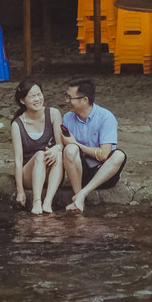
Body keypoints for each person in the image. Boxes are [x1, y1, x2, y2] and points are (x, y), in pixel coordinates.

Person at [60, 77, 127, 212]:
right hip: (80, 173)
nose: (66, 101)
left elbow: (104, 155)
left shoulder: (106, 117)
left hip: (103, 175)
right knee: (70, 149)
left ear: (84, 100)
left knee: (119, 155)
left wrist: (77, 144)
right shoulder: (67, 118)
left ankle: (81, 195)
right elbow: (67, 150)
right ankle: (78, 196)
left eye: (70, 97)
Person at [10, 78, 65, 214]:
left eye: (39, 94)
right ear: (23, 101)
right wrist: (20, 190)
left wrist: (56, 149)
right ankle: (37, 202)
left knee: (58, 153)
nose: (37, 99)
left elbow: (61, 144)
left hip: (51, 172)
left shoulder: (53, 114)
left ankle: (48, 202)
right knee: (40, 154)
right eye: (32, 96)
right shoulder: (17, 125)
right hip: (30, 174)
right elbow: (18, 160)